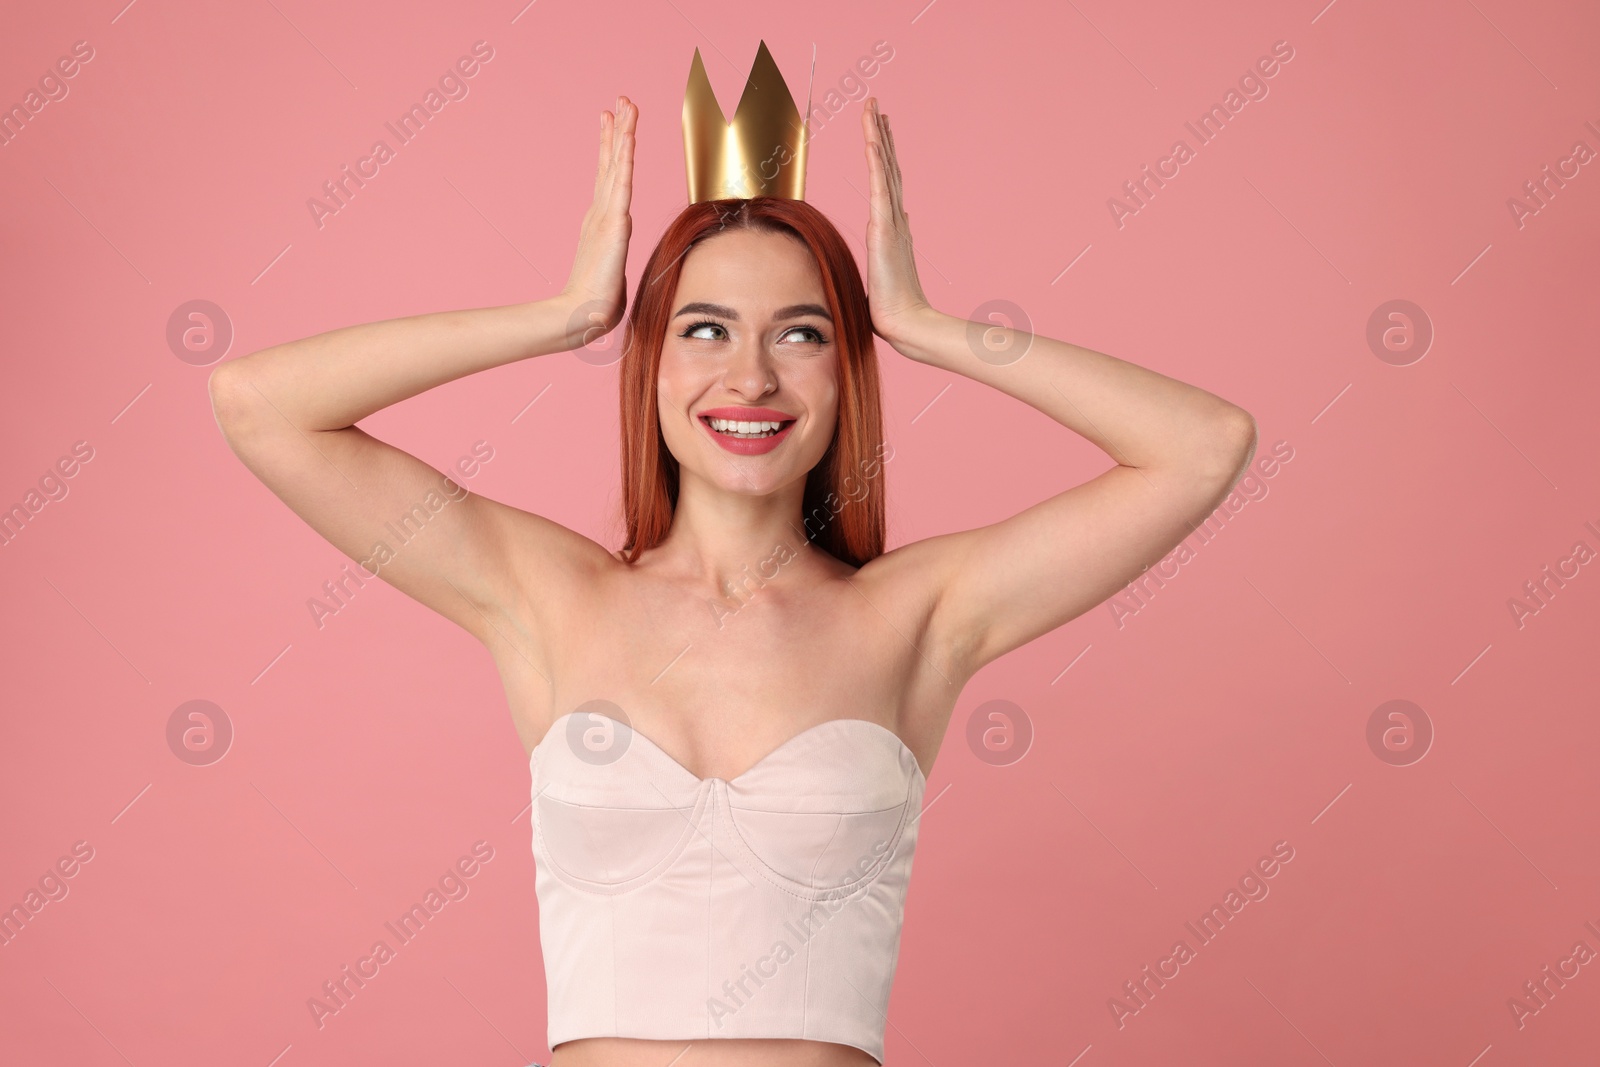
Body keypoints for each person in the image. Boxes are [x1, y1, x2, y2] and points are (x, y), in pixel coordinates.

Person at [208, 85, 1255, 1067]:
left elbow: (1203, 444)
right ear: (649, 359)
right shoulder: (550, 594)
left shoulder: (916, 616)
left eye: (800, 334)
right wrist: (565, 317)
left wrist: (930, 330)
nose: (749, 376)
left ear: (846, 368)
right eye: (703, 328)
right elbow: (261, 403)